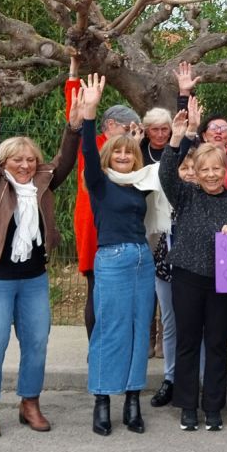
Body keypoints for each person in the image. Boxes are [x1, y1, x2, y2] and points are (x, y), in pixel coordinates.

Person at [0, 78, 79, 438]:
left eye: (31, 159)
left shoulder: (43, 182)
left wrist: (75, 125)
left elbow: (65, 161)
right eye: (18, 159)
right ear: (5, 162)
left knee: (36, 341)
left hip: (33, 276)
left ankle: (29, 402)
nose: (26, 165)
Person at [76, 75, 170, 436]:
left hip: (142, 260)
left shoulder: (141, 183)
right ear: (108, 155)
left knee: (138, 329)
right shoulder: (99, 183)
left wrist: (176, 134)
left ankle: (133, 400)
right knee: (110, 329)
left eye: (129, 152)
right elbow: (87, 150)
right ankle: (102, 399)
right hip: (112, 261)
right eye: (117, 152)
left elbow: (165, 166)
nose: (123, 156)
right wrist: (89, 112)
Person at [160, 100, 227, 432]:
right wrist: (179, 138)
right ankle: (188, 406)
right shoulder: (185, 195)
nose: (212, 175)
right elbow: (166, 173)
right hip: (187, 277)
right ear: (196, 173)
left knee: (216, 344)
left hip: (223, 283)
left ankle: (213, 407)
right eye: (205, 170)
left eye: (217, 169)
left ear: (225, 171)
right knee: (187, 342)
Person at [64, 57, 140, 339]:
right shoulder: (93, 144)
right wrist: (74, 74)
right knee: (95, 288)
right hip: (93, 225)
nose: (132, 135)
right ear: (110, 124)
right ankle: (96, 348)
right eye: (128, 129)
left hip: (121, 229)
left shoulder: (129, 152)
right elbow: (75, 112)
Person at [149, 142, 198, 409]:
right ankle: (170, 378)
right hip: (166, 268)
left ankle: (197, 380)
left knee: (198, 326)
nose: (189, 172)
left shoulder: (206, 198)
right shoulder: (164, 197)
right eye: (184, 168)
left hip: (198, 271)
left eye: (194, 168)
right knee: (170, 324)